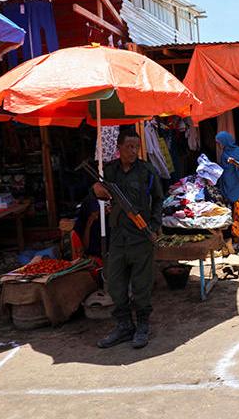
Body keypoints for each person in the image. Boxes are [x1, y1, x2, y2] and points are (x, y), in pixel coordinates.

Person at [94, 128, 164, 350]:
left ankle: (142, 326)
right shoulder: (110, 171)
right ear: (119, 148)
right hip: (118, 239)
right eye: (128, 147)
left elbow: (159, 199)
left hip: (140, 239)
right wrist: (96, 190)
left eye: (136, 147)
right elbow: (97, 193)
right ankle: (124, 326)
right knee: (115, 284)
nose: (133, 151)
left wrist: (153, 225)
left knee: (142, 286)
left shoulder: (147, 172)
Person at [215, 132, 239, 243]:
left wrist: (235, 163)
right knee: (236, 212)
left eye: (219, 143)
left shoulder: (237, 151)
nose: (219, 145)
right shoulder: (224, 153)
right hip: (230, 185)